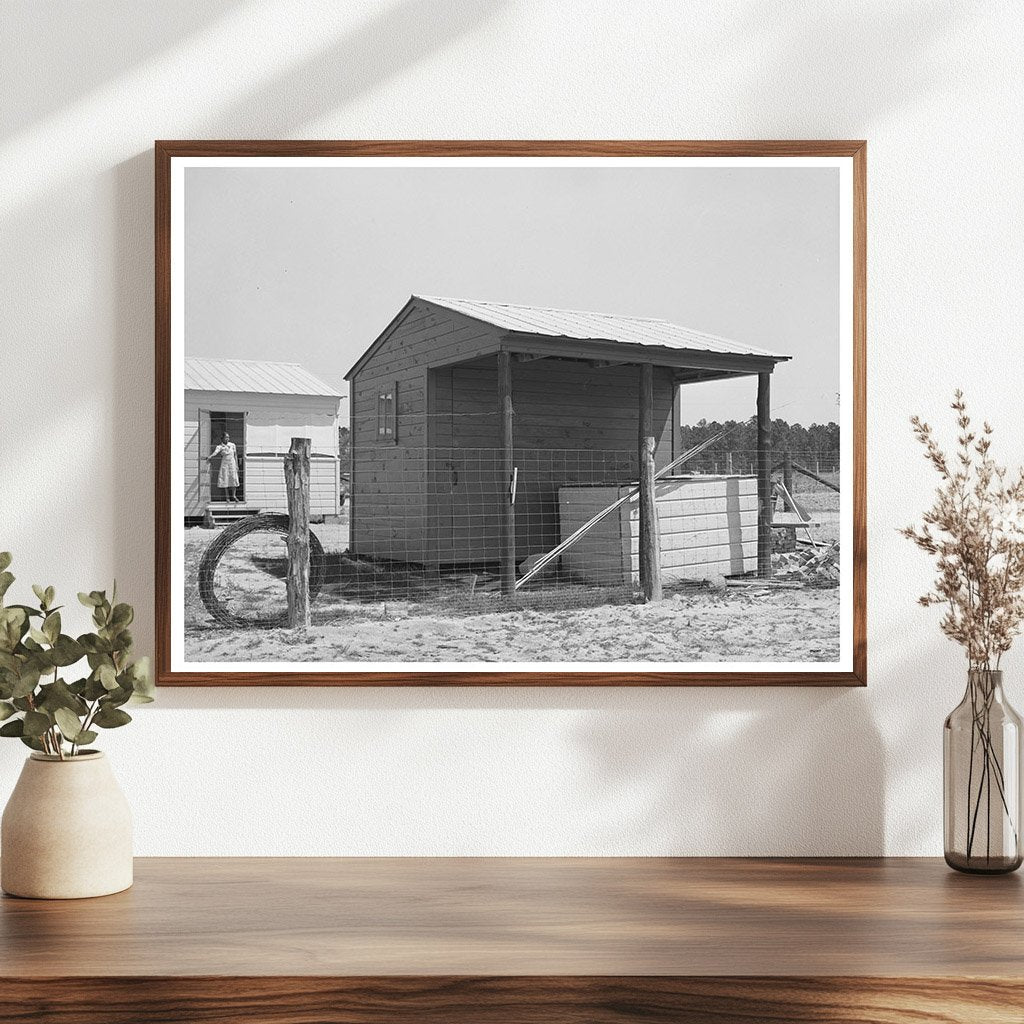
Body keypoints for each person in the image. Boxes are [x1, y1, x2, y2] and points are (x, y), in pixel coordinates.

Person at [207, 432, 240, 502]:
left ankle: (234, 495)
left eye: (228, 437)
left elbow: (235, 455)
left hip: (232, 463)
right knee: (225, 479)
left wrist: (236, 465)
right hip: (225, 464)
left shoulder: (232, 445)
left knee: (233, 478)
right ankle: (227, 497)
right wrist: (210, 456)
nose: (227, 439)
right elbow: (215, 452)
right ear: (222, 438)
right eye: (226, 437)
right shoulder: (219, 446)